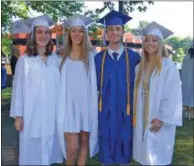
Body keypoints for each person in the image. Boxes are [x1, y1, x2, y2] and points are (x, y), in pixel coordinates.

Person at [10, 15, 63, 165]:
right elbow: (18, 89)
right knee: (32, 151)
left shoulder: (55, 60)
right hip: (31, 113)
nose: (43, 36)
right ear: (33, 35)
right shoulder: (25, 60)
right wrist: (18, 115)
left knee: (49, 148)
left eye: (47, 32)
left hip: (51, 113)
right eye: (39, 32)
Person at [132, 21, 182, 165]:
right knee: (145, 156)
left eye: (154, 40)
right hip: (142, 117)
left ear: (160, 43)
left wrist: (162, 118)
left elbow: (172, 95)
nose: (150, 43)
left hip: (158, 118)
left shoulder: (168, 66)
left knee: (157, 157)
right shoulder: (139, 67)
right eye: (147, 40)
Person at [95, 10, 141, 165]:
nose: (114, 32)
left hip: (126, 111)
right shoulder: (97, 59)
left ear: (122, 32)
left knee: (125, 144)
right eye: (110, 29)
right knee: (106, 144)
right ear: (106, 32)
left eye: (117, 29)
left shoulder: (135, 58)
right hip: (105, 111)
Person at [57, 14, 98, 166]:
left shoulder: (91, 57)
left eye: (80, 31)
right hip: (67, 107)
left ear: (85, 34)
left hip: (85, 106)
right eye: (74, 31)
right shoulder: (61, 58)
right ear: (69, 34)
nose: (77, 34)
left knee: (84, 144)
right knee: (73, 147)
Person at [182, 47, 194, 120]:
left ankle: (186, 112)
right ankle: (191, 113)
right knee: (192, 96)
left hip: (186, 79)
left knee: (186, 95)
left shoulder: (185, 58)